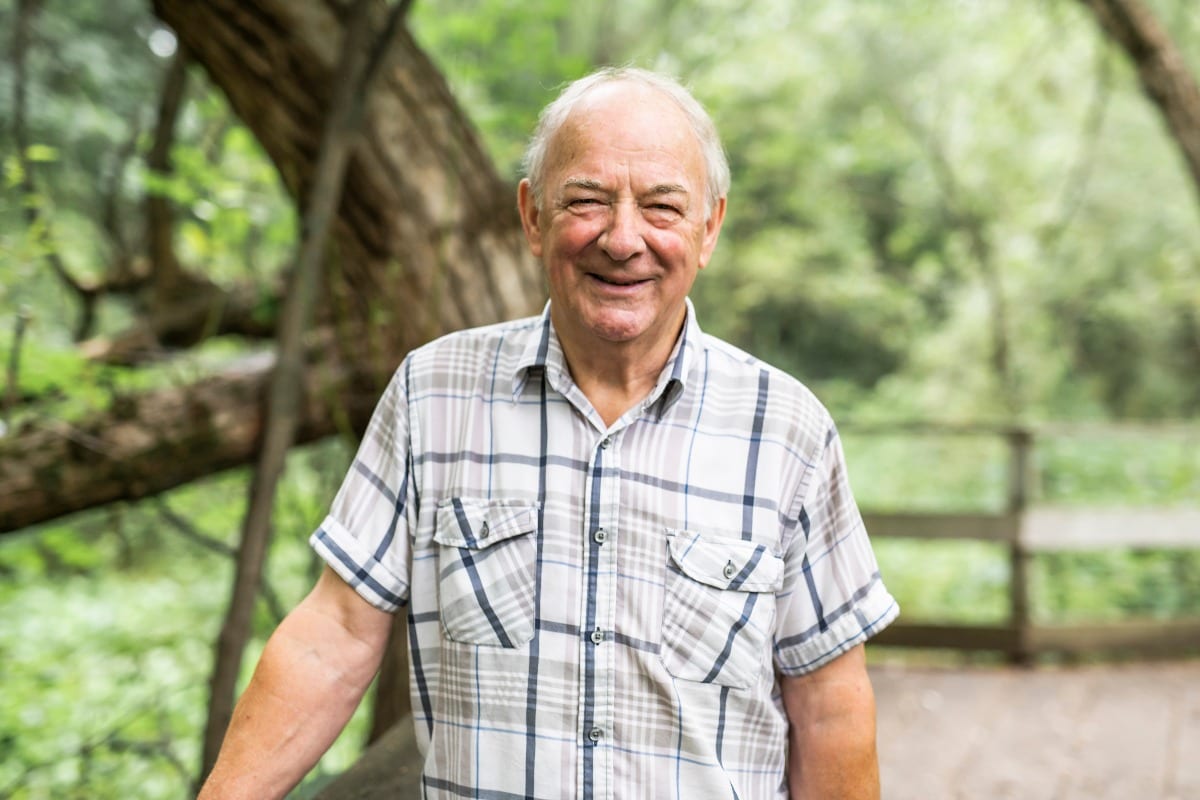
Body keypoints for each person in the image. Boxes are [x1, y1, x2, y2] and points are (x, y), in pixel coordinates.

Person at [198, 66, 899, 800]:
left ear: (709, 227)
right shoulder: (433, 393)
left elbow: (829, 709)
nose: (623, 239)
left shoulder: (787, 430)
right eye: (587, 201)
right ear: (532, 217)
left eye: (662, 207)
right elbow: (334, 634)